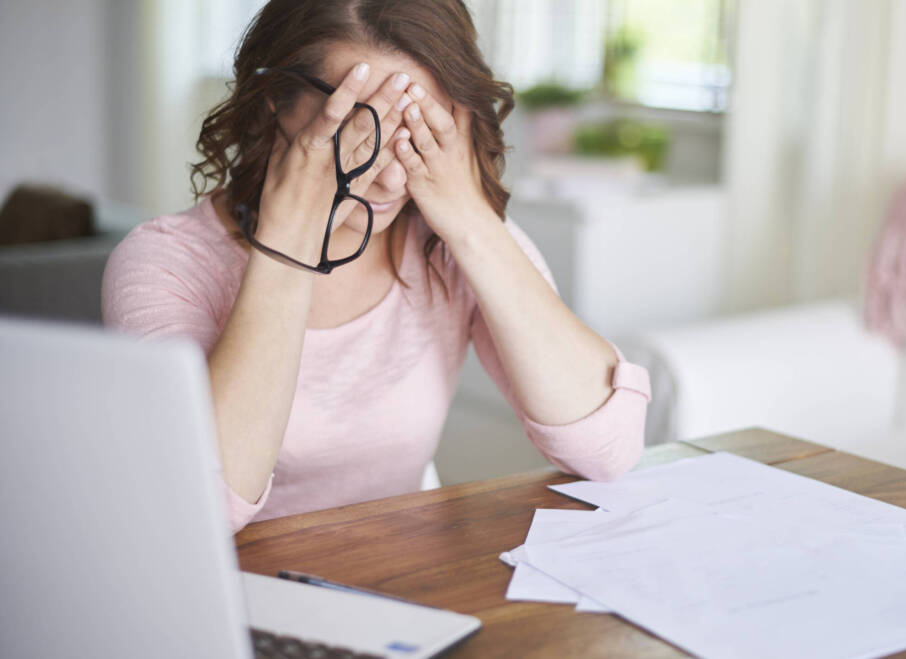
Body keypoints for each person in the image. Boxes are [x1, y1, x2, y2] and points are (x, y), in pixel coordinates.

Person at [101, 0, 650, 533]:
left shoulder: (448, 237)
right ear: (275, 103)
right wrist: (288, 245)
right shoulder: (165, 263)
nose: (391, 182)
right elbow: (201, 506)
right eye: (358, 139)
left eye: (417, 137)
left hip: (399, 590)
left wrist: (470, 220)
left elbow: (610, 451)